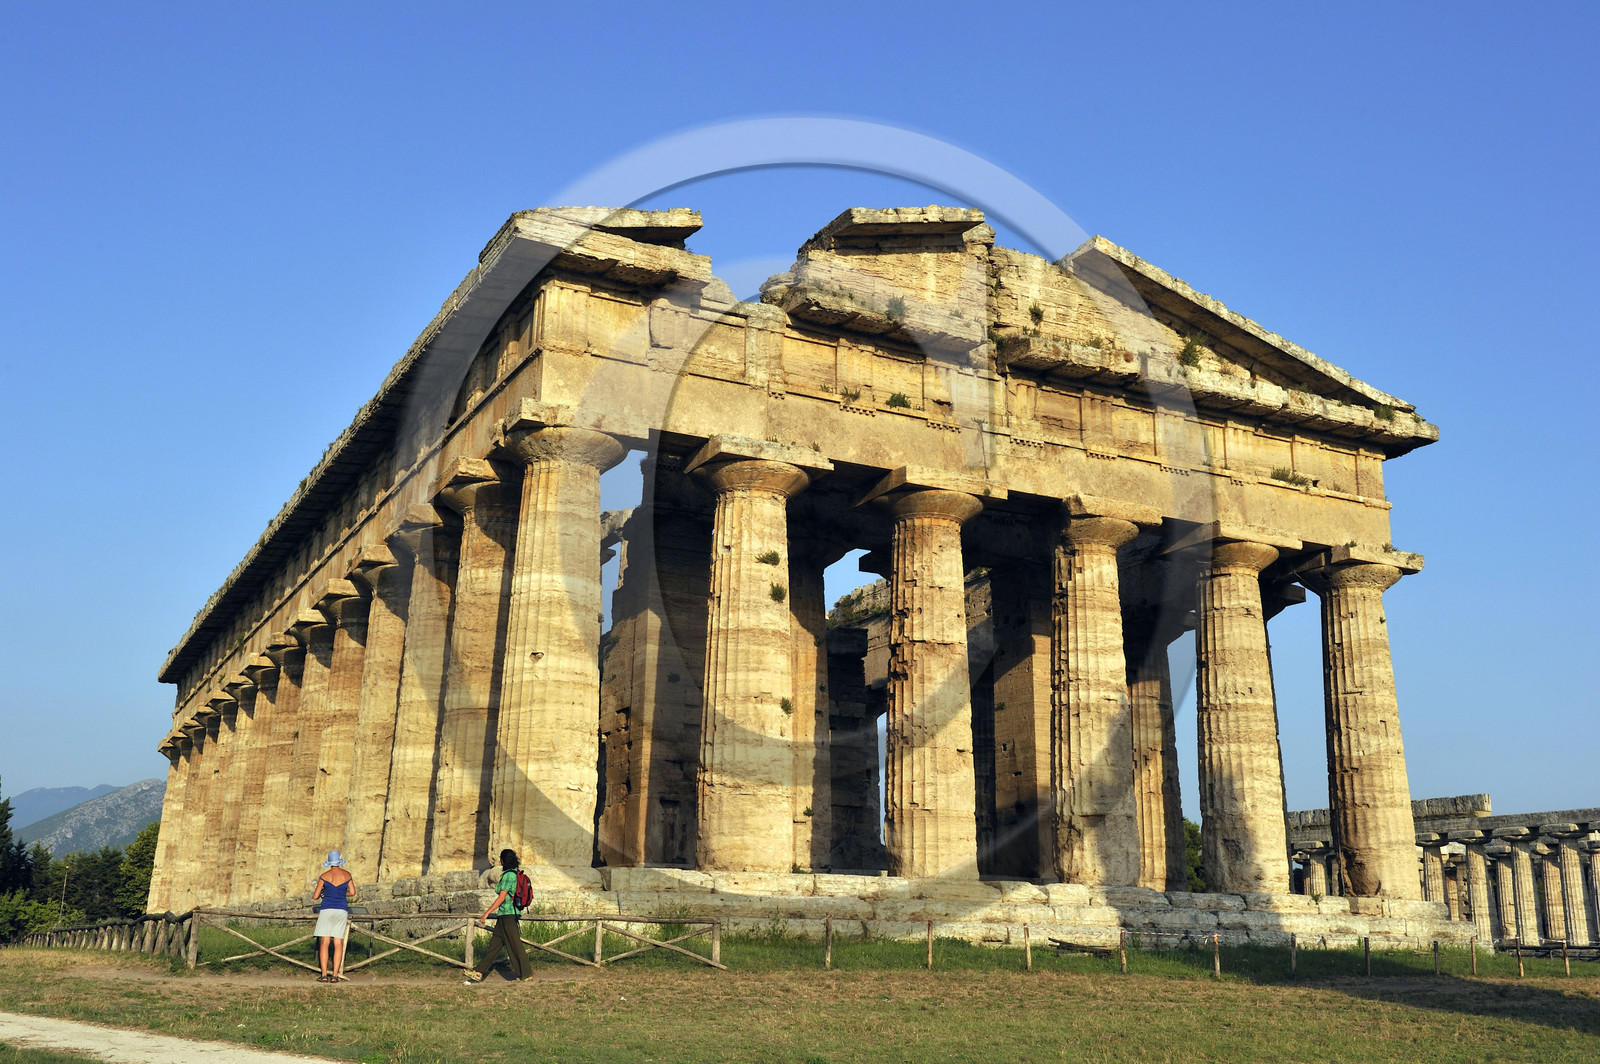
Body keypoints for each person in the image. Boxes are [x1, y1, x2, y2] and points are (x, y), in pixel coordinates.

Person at [464, 848, 529, 984]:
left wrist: (487, 913)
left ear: (503, 861)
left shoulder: (508, 876)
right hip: (506, 915)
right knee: (494, 947)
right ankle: (479, 972)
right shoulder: (516, 873)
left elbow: (502, 897)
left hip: (508, 915)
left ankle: (526, 973)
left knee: (515, 944)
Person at [312, 850, 356, 983]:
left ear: (329, 862)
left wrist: (324, 893)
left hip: (327, 909)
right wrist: (342, 894)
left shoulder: (324, 876)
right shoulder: (347, 875)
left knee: (325, 942)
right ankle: (335, 975)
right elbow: (352, 892)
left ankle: (324, 974)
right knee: (338, 942)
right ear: (340, 861)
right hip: (341, 909)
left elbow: (315, 896)